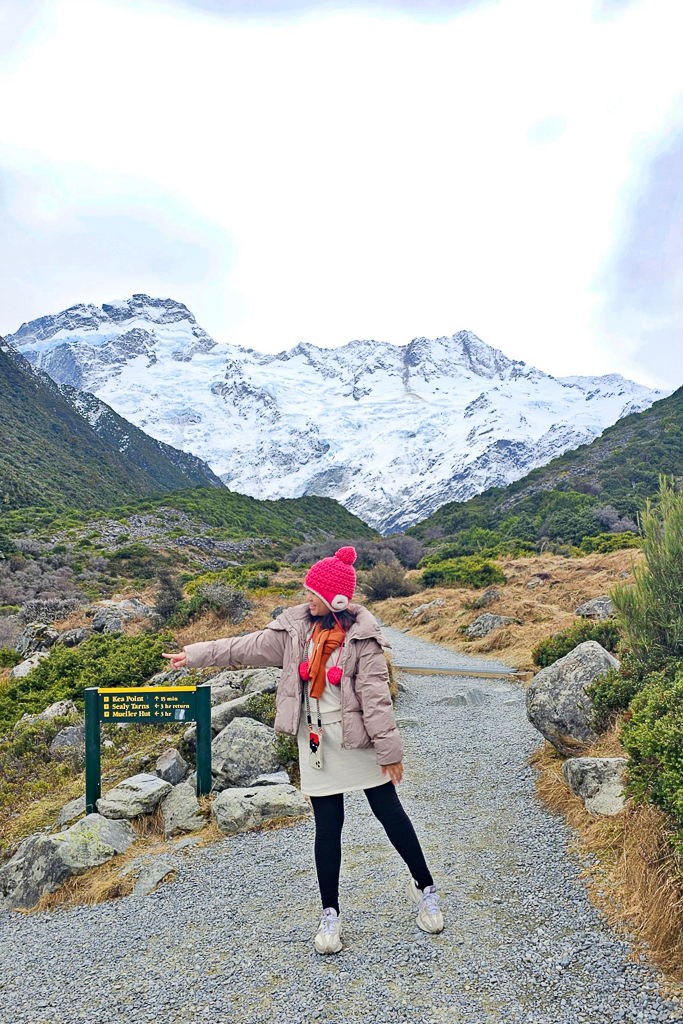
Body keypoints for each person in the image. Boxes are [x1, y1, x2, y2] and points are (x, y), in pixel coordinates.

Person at [163, 546, 443, 953]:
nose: (305, 597)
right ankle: (330, 914)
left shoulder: (362, 639)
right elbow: (241, 648)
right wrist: (193, 655)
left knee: (390, 813)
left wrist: (390, 752)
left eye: (313, 592)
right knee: (328, 827)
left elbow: (377, 698)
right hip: (316, 744)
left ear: (337, 599)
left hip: (358, 738)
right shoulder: (293, 632)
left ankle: (426, 888)